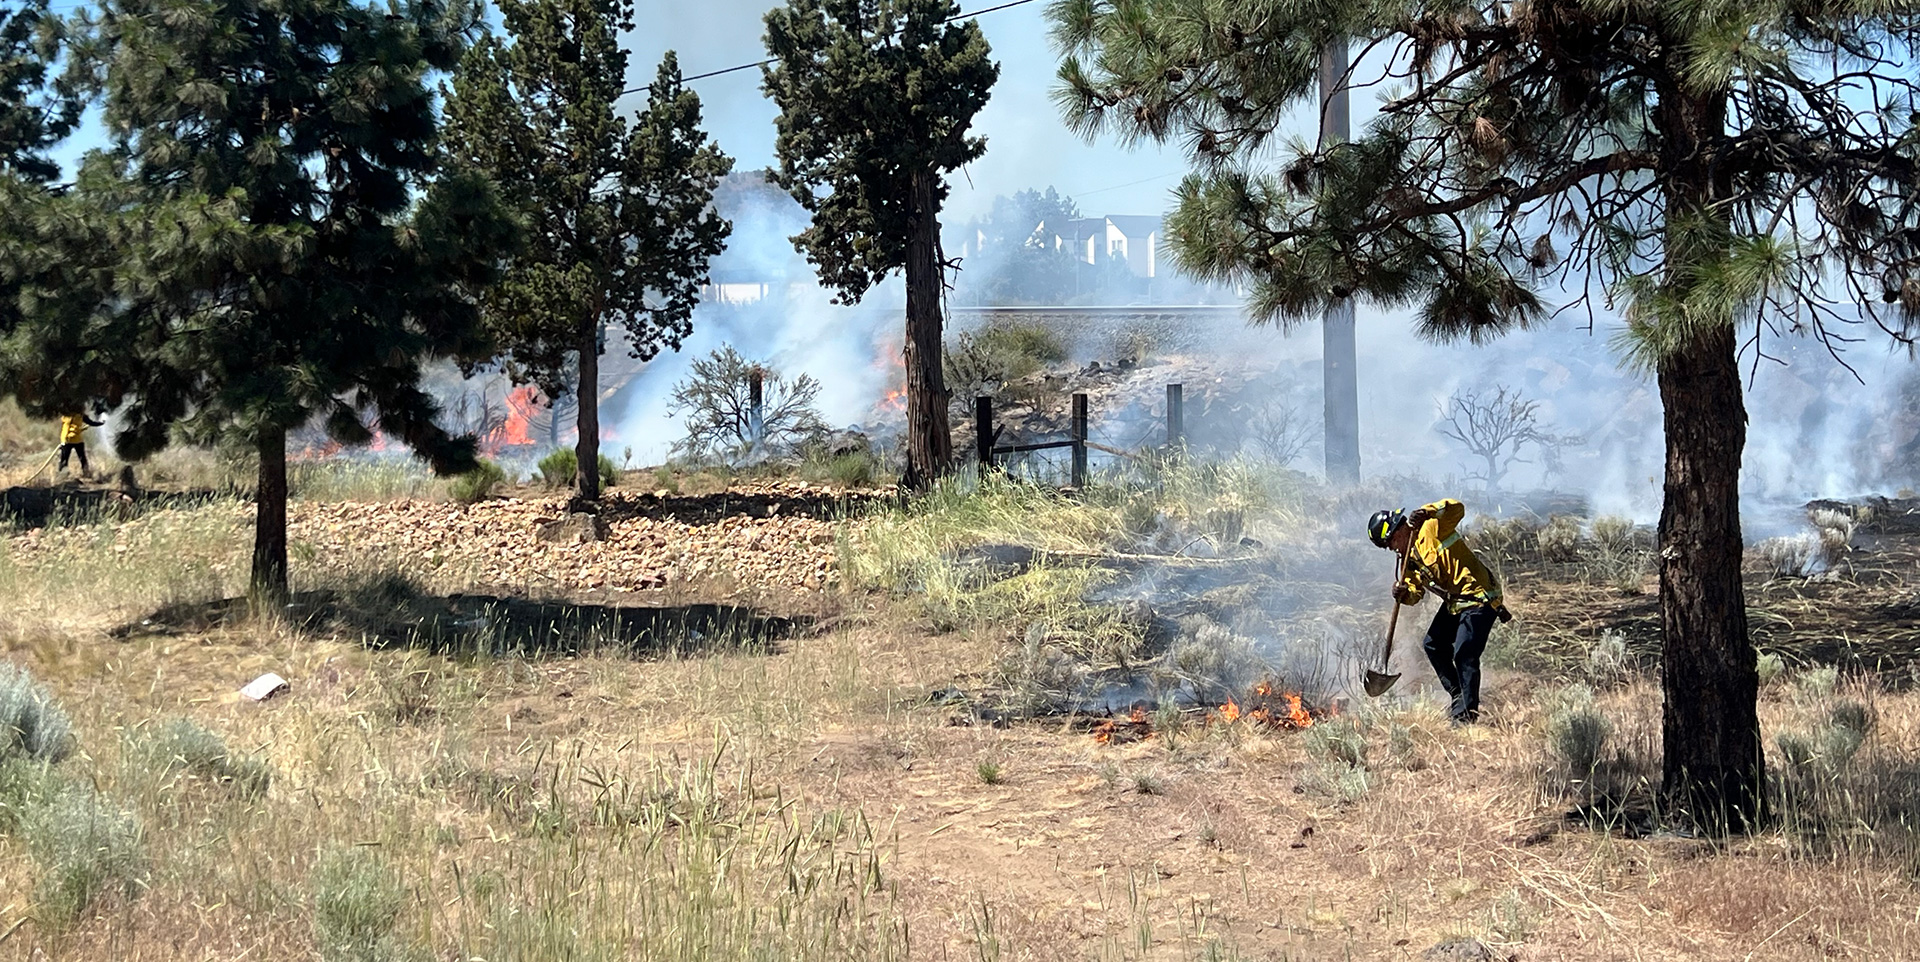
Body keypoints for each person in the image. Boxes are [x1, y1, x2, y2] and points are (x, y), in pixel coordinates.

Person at [1368, 500, 1511, 723]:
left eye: (1392, 541)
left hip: (1479, 597)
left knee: (1464, 654)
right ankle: (1457, 695)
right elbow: (1415, 594)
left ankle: (1466, 716)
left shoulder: (1431, 527)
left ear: (1400, 529)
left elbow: (1457, 509)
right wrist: (1402, 593)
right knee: (1433, 644)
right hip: (1457, 602)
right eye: (1388, 546)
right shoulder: (1408, 561)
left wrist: (1427, 511)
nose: (1393, 548)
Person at [57, 412, 104, 479]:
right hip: (68, 440)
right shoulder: (67, 414)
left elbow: (90, 422)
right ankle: (63, 476)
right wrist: (63, 441)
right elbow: (66, 427)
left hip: (77, 440)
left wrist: (101, 423)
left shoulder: (81, 415)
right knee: (64, 459)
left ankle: (86, 474)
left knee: (82, 458)